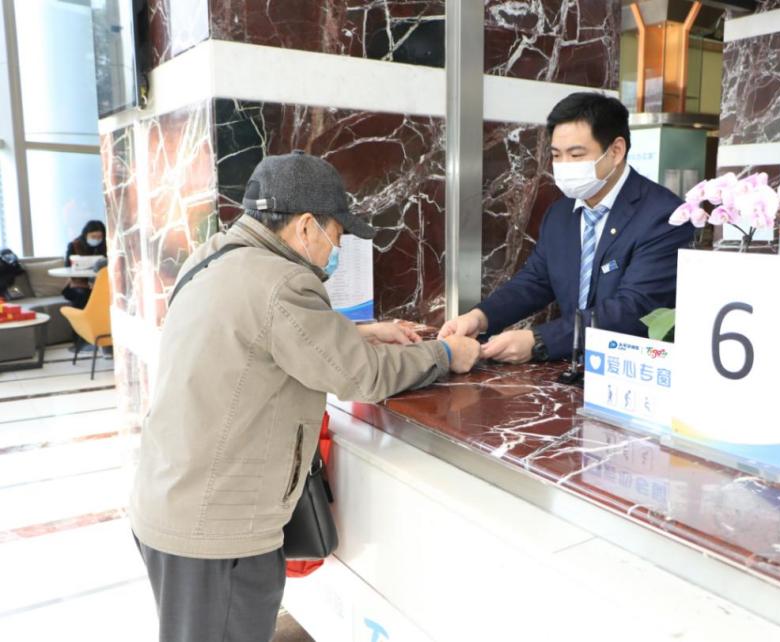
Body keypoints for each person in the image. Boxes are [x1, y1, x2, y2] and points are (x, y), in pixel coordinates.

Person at [129, 151, 481, 642]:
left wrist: (359, 330)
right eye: (338, 234)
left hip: (168, 501)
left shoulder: (211, 256)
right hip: (218, 534)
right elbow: (363, 377)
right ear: (307, 226)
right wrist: (444, 353)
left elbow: (257, 334)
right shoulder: (285, 281)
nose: (338, 248)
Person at [439, 92, 695, 363]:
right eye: (556, 155)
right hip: (571, 367)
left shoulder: (663, 216)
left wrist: (540, 340)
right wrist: (481, 317)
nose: (563, 166)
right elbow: (536, 280)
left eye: (576, 154)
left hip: (631, 368)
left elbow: (634, 309)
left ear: (616, 151)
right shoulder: (561, 213)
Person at [62, 220, 107, 309]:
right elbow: (68, 266)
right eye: (93, 237)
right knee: (83, 294)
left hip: (99, 283)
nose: (96, 239)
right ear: (86, 235)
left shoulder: (105, 245)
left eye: (99, 237)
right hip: (78, 284)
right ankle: (79, 317)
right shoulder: (74, 245)